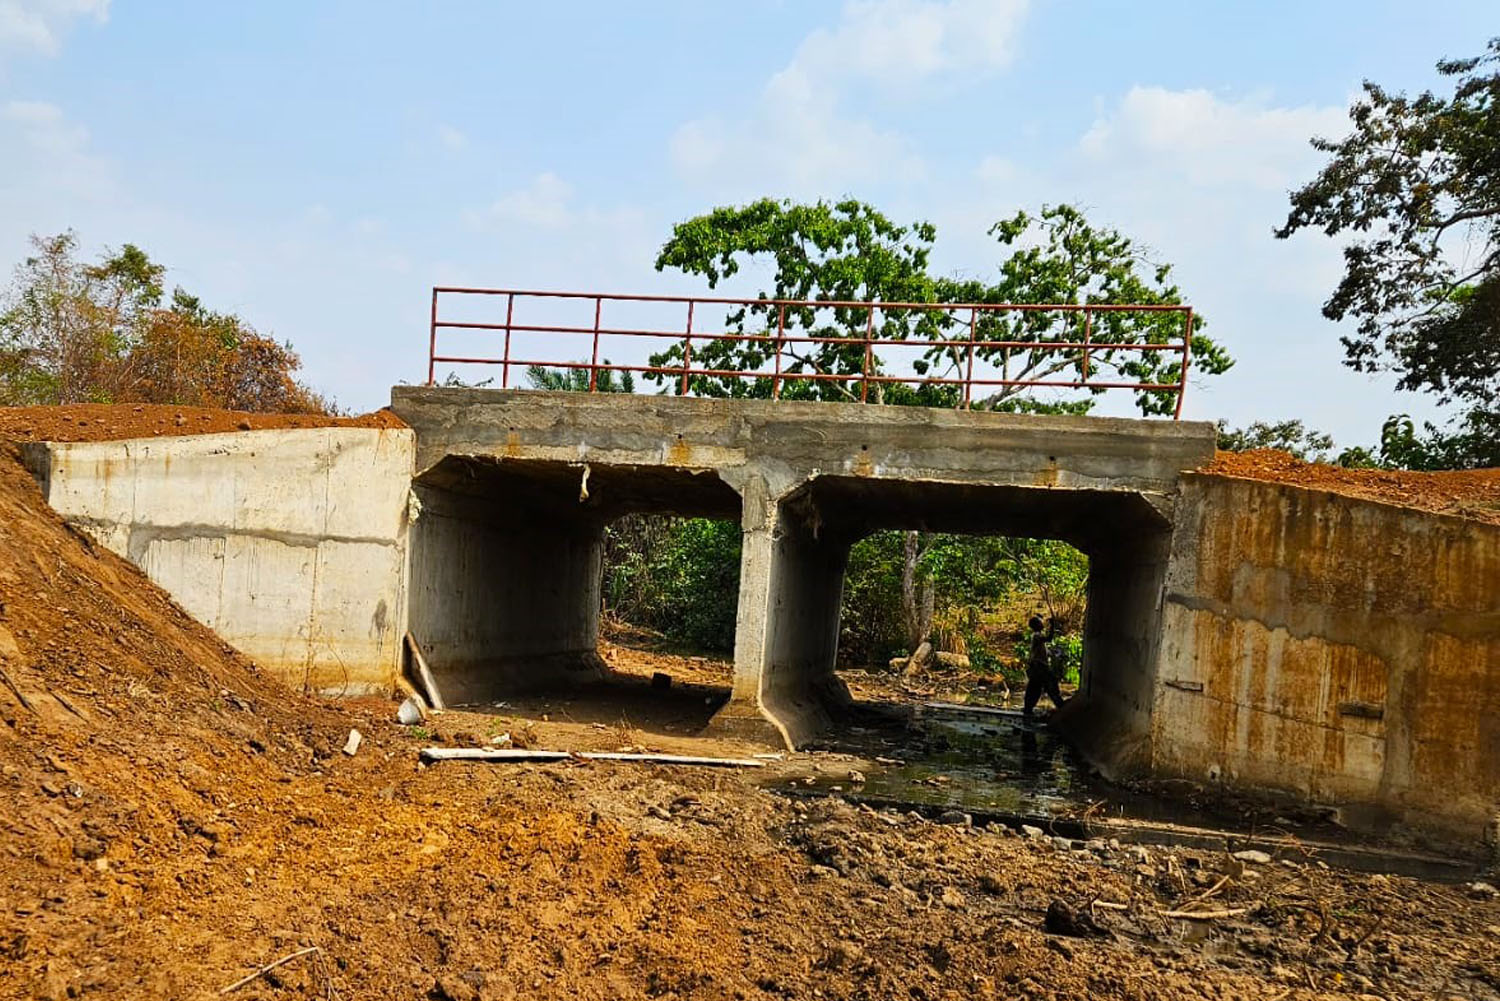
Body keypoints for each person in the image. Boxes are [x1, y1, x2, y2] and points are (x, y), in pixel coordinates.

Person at [1022, 614, 1066, 716]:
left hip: (1036, 667)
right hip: (1039, 667)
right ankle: (1060, 706)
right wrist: (1052, 626)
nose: (1042, 624)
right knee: (1050, 684)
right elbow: (1049, 638)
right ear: (1036, 625)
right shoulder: (1037, 635)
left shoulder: (1036, 636)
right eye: (1039, 622)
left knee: (1035, 688)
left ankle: (1028, 709)